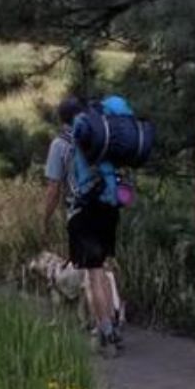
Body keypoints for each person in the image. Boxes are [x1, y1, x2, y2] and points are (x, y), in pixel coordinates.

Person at [44, 95, 124, 355]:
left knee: (93, 273)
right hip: (108, 208)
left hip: (82, 212)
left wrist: (44, 218)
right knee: (105, 267)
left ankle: (105, 332)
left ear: (61, 119)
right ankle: (114, 321)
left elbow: (54, 187)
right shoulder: (99, 136)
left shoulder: (60, 144)